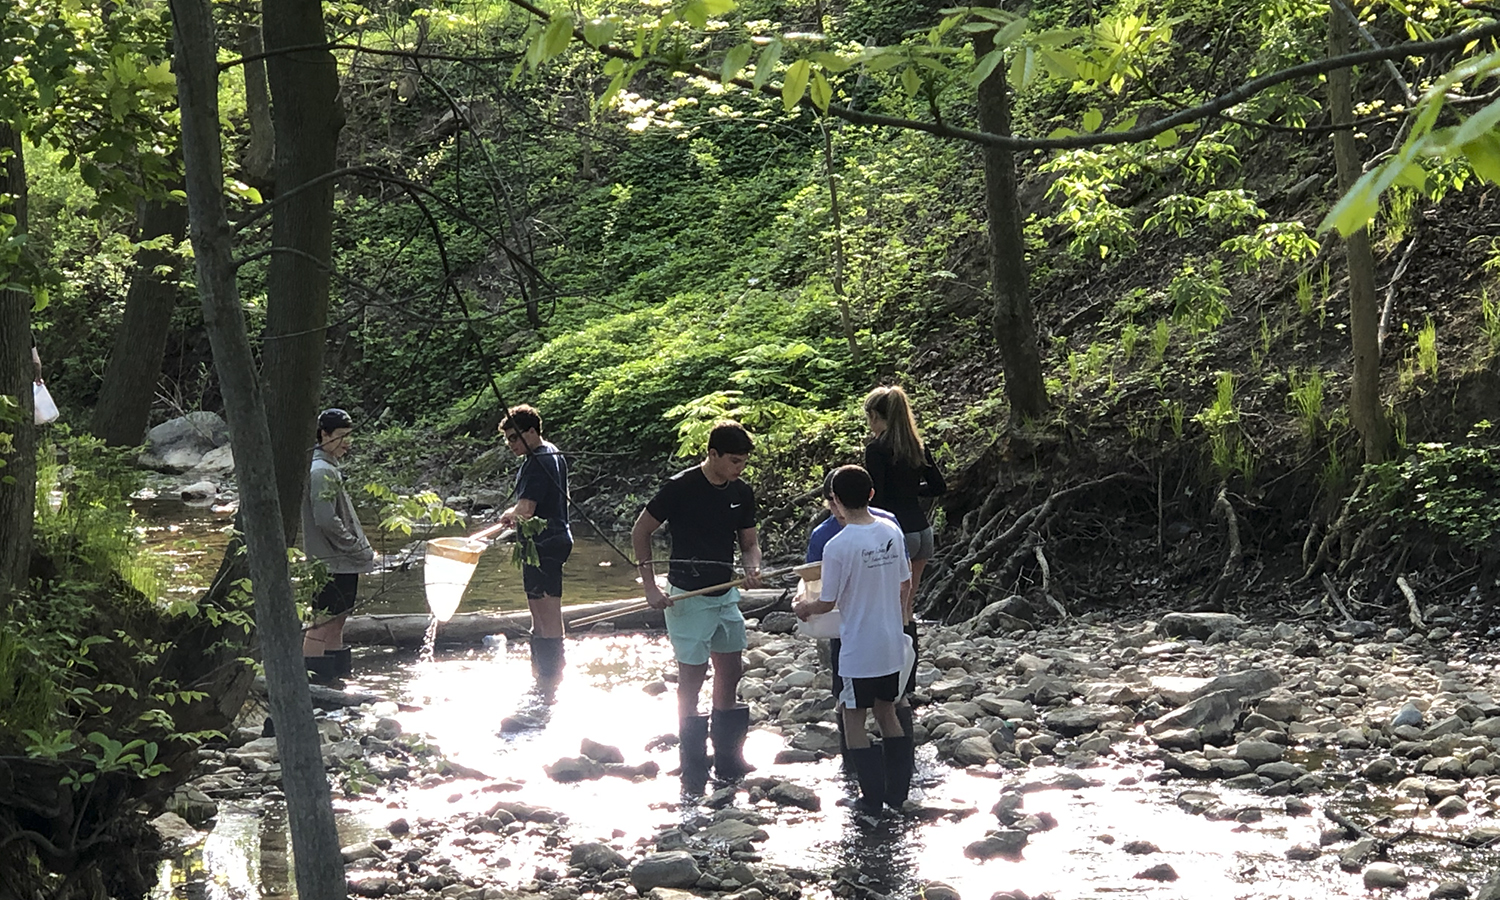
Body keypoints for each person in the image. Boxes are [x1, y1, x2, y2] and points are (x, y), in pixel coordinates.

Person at [631, 422, 763, 794]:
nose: (740, 467)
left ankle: (728, 757)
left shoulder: (741, 492)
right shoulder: (680, 487)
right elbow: (641, 532)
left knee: (731, 666)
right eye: (734, 460)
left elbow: (749, 542)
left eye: (744, 462)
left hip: (726, 595)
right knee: (692, 674)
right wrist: (649, 586)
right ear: (714, 454)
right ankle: (691, 760)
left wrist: (752, 567)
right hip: (687, 595)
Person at [794, 465, 913, 813]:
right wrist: (899, 617)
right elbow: (904, 583)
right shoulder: (891, 530)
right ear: (871, 495)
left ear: (835, 501)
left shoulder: (837, 545)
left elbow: (827, 602)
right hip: (890, 640)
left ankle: (871, 798)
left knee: (853, 715)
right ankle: (898, 794)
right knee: (888, 712)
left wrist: (803, 608)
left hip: (858, 646)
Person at [497, 404, 572, 678]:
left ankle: (550, 678)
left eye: (514, 438)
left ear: (531, 432)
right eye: (507, 439)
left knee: (547, 614)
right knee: (538, 614)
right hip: (546, 541)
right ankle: (540, 674)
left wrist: (509, 513)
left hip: (546, 543)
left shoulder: (539, 461)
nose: (510, 444)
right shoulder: (552, 452)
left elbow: (526, 510)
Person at [302, 408, 376, 679]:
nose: (347, 442)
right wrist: (354, 546)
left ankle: (336, 682)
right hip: (331, 562)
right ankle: (313, 687)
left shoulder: (327, 467)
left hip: (341, 562)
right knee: (321, 624)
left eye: (349, 436)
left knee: (337, 621)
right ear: (324, 435)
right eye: (341, 436)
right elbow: (325, 520)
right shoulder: (320, 470)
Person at [862, 385, 945, 604]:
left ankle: (897, 639)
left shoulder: (876, 450)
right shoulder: (917, 446)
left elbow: (876, 497)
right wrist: (912, 490)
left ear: (874, 416)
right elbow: (939, 487)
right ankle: (911, 637)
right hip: (922, 531)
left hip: (895, 533)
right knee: (907, 602)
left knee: (890, 602)